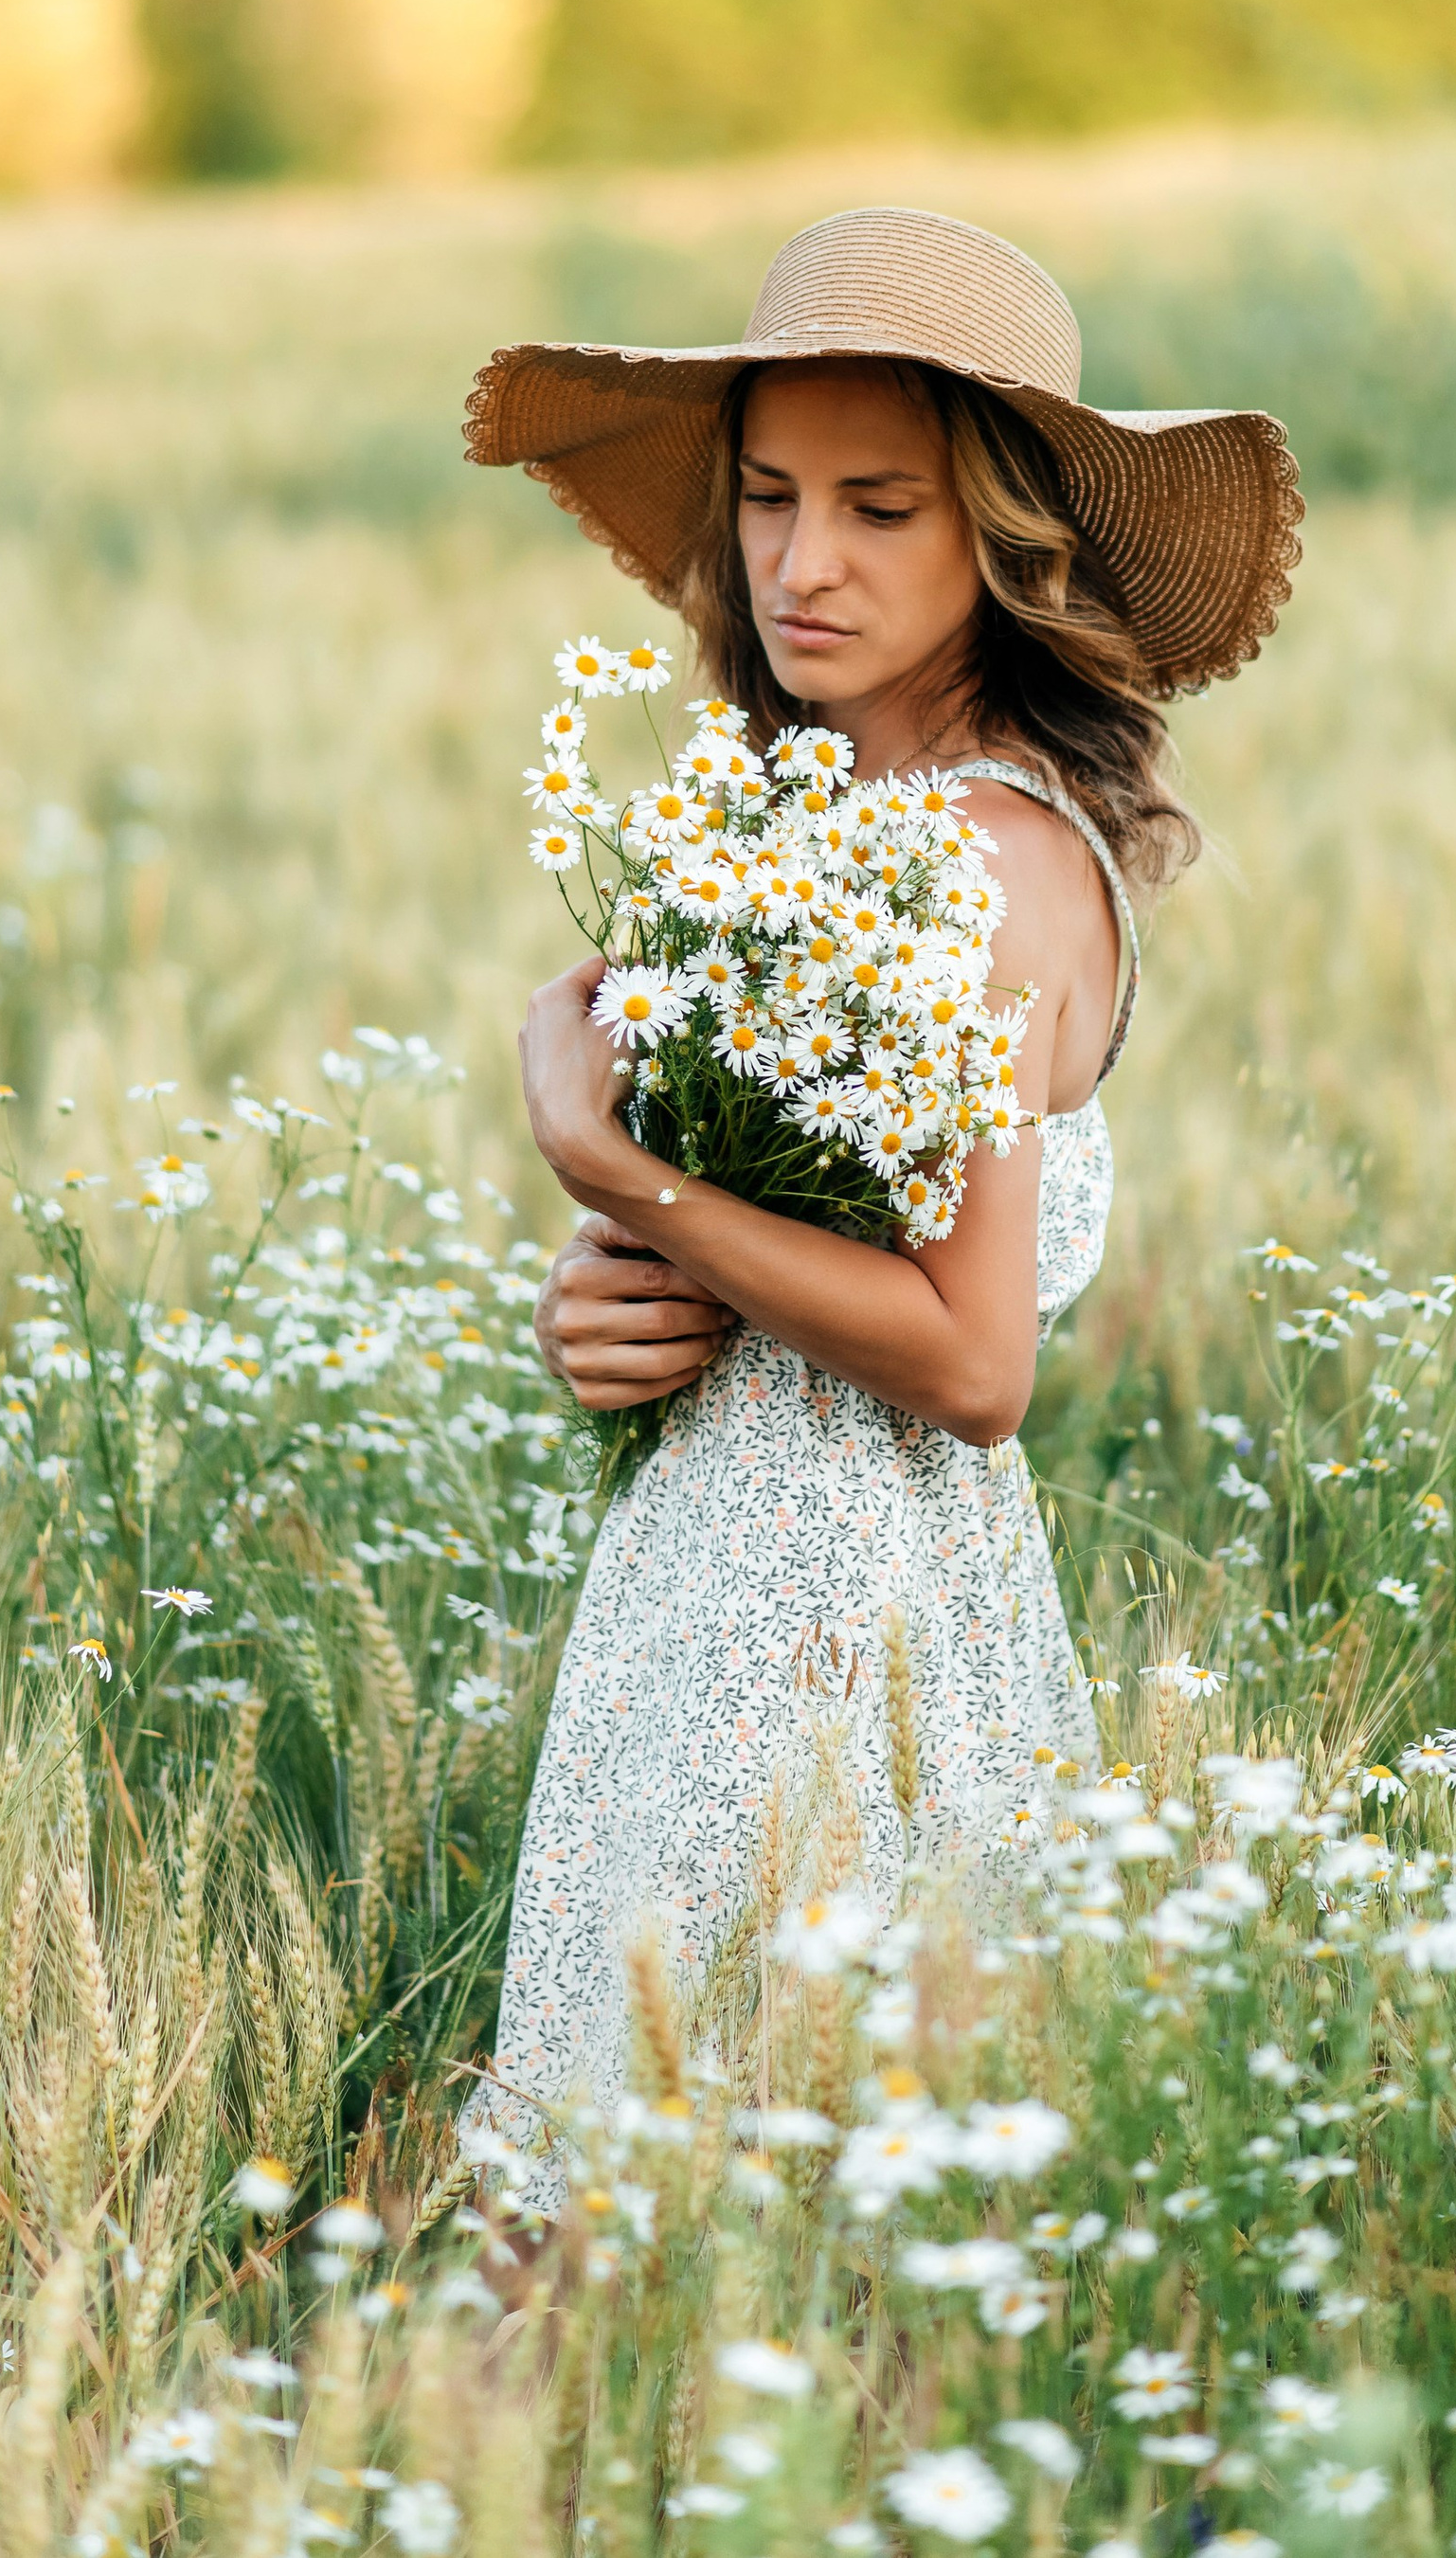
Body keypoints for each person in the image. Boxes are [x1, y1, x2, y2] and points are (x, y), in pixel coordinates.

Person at [459, 204, 1300, 2184]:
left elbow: (970, 1358)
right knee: (695, 2236)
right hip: (727, 1592)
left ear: (1003, 539)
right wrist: (606, 1304)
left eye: (879, 508)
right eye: (765, 497)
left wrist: (607, 1162)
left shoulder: (977, 862)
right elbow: (784, 1263)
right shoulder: (841, 826)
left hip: (832, 1632)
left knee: (695, 2215)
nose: (800, 563)